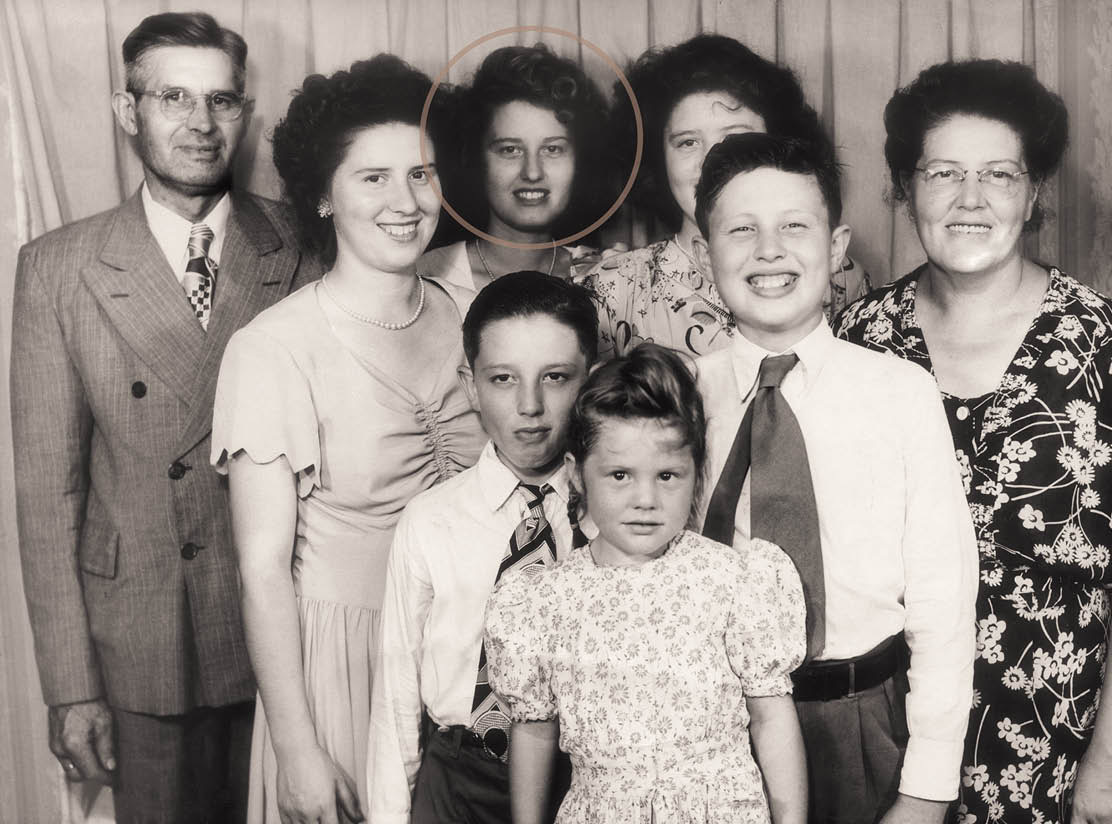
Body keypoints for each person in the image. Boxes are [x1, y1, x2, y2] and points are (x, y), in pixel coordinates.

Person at [835, 59, 1112, 824]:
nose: (970, 199)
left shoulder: (1108, 349)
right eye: (943, 173)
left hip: (1055, 747)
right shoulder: (858, 340)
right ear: (905, 189)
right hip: (885, 744)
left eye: (999, 175)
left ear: (1033, 196)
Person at [9, 12, 320, 822]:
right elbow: (48, 498)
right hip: (140, 638)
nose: (201, 123)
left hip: (286, 629)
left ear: (244, 113)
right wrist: (71, 687)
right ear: (127, 111)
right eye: (174, 98)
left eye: (221, 100)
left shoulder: (302, 244)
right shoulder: (57, 268)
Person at [211, 54, 485, 824]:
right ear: (323, 197)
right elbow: (262, 571)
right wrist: (297, 749)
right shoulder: (273, 350)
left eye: (422, 174)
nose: (406, 201)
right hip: (343, 669)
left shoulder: (476, 317)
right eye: (373, 178)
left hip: (475, 661)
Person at [690, 132, 978, 823]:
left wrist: (926, 789)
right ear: (704, 255)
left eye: (795, 226)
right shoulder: (678, 398)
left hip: (859, 719)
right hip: (708, 726)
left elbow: (942, 600)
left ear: (838, 246)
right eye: (741, 230)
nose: (769, 251)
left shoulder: (900, 393)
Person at [485, 343, 810, 823]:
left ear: (696, 471)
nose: (646, 499)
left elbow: (771, 718)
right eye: (620, 475)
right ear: (578, 475)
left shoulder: (732, 580)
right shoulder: (544, 602)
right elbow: (534, 730)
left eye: (668, 476)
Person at [367, 271, 597, 823]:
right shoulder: (432, 521)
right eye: (502, 379)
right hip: (458, 778)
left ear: (591, 381)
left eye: (555, 377)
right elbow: (396, 695)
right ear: (470, 386)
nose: (529, 405)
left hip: (583, 781)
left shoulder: (616, 522)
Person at [577, 34, 870, 362]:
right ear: (658, 159)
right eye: (688, 142)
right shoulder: (613, 290)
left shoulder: (841, 276)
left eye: (735, 137)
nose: (710, 161)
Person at [419, 44, 610, 294]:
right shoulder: (425, 277)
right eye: (510, 150)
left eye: (552, 149)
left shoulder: (607, 277)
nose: (532, 173)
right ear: (476, 158)